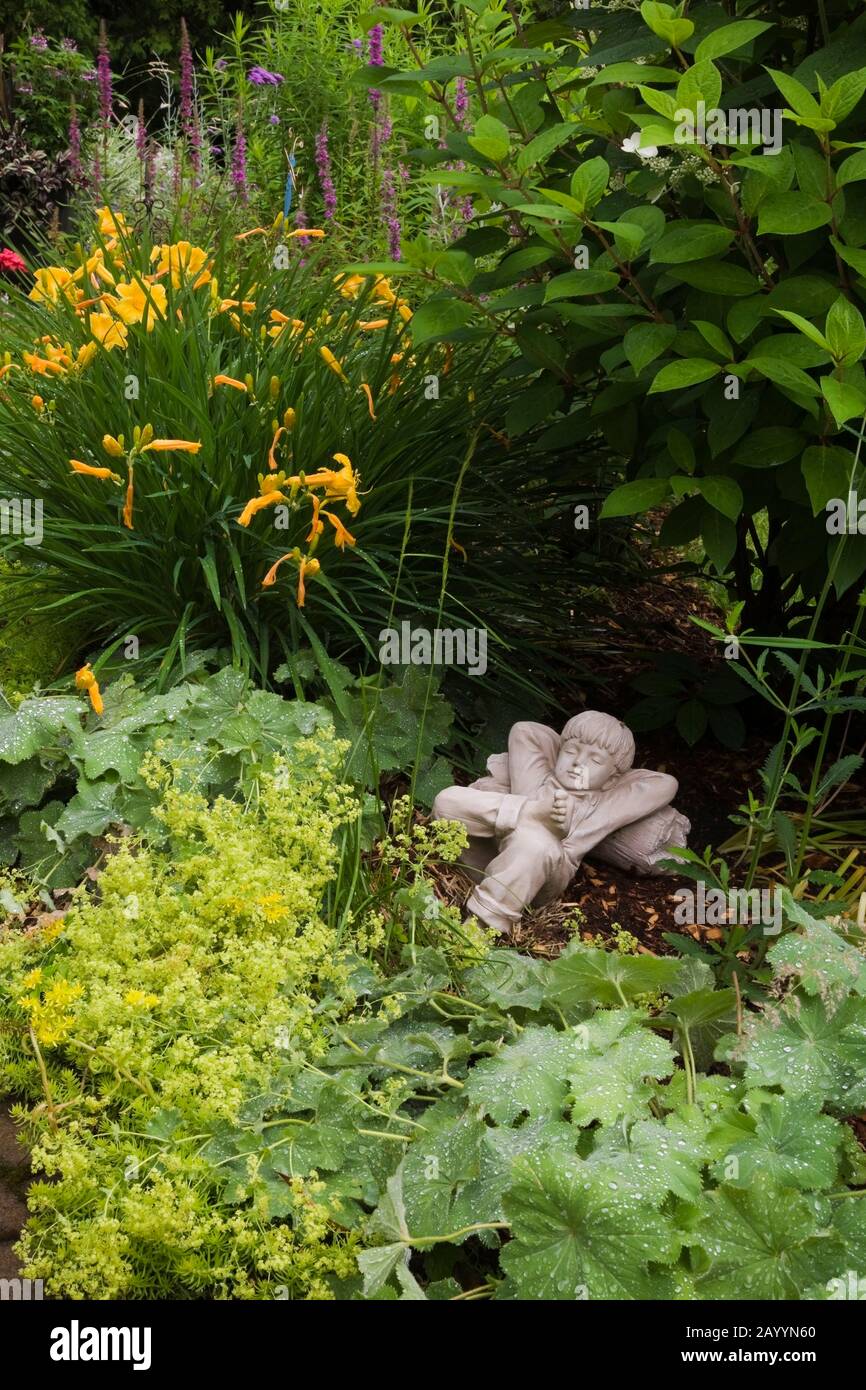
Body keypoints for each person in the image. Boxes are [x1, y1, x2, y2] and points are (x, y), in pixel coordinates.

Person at [432, 711, 679, 933]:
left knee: (535, 843)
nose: (578, 763)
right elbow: (525, 730)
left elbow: (665, 784)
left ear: (611, 780)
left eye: (594, 760)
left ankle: (478, 930)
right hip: (488, 856)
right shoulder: (537, 777)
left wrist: (564, 828)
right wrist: (533, 804)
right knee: (447, 799)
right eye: (571, 752)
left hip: (541, 872)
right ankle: (528, 812)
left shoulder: (604, 803)